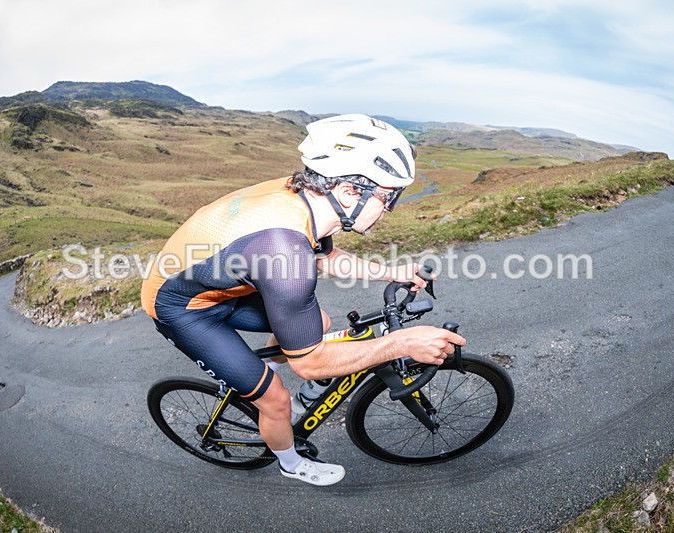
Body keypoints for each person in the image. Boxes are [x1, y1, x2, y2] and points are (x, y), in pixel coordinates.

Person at [141, 114, 465, 486]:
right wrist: (401, 343)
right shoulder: (285, 252)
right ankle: (290, 463)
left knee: (319, 324)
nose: (390, 208)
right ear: (349, 192)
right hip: (182, 308)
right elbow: (310, 365)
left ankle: (259, 375)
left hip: (219, 283)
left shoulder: (306, 199)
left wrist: (391, 272)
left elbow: (326, 256)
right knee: (276, 400)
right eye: (388, 196)